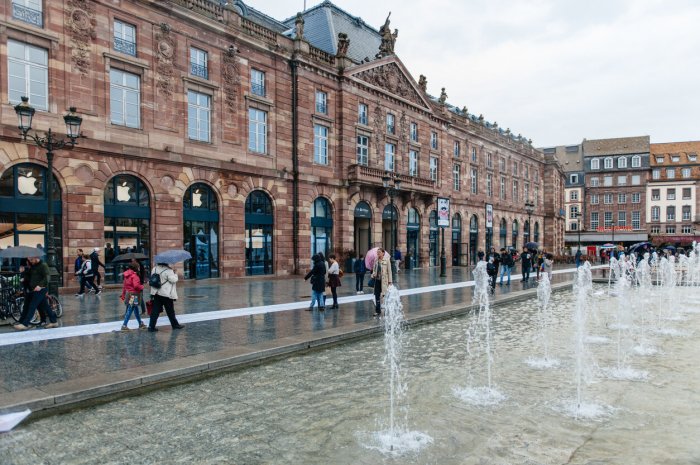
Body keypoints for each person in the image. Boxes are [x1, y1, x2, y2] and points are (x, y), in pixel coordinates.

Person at [14, 256, 58, 330]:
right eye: (30, 260)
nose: (31, 261)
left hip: (41, 289)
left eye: (31, 259)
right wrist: (24, 275)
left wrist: (40, 286)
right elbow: (30, 276)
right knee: (45, 306)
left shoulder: (43, 265)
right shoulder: (34, 266)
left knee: (32, 305)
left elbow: (47, 277)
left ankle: (25, 324)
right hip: (33, 290)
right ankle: (54, 322)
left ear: (36, 257)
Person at [148, 262, 184, 332]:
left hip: (156, 293)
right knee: (170, 311)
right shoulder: (168, 270)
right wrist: (175, 273)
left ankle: (151, 326)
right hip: (166, 294)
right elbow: (173, 280)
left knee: (155, 311)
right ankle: (175, 325)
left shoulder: (154, 269)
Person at [120, 263, 146, 331]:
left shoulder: (126, 275)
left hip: (129, 294)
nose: (139, 268)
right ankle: (124, 325)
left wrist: (123, 294)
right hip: (134, 295)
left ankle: (140, 323)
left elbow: (124, 286)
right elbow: (136, 286)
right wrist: (142, 286)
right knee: (130, 309)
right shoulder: (134, 276)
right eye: (138, 267)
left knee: (135, 308)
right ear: (136, 268)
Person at [370, 248, 392, 316]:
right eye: (377, 252)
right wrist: (373, 274)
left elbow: (389, 271)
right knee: (377, 296)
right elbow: (374, 270)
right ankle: (378, 311)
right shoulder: (376, 260)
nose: (378, 253)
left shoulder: (387, 260)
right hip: (377, 280)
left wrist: (390, 281)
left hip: (384, 281)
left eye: (379, 252)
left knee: (384, 296)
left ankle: (387, 310)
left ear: (383, 253)